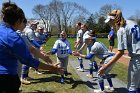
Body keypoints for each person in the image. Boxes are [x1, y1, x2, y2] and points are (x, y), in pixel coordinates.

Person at [0, 2, 63, 93]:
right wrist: (53, 68)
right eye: (23, 22)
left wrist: (46, 58)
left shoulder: (5, 31)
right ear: (18, 21)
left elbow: (31, 48)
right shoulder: (13, 37)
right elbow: (29, 61)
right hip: (6, 79)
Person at [99, 10, 140, 93]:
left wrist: (106, 66)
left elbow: (120, 52)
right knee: (138, 85)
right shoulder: (131, 22)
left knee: (132, 87)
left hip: (137, 58)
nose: (110, 24)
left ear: (113, 20)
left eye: (110, 22)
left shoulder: (121, 30)